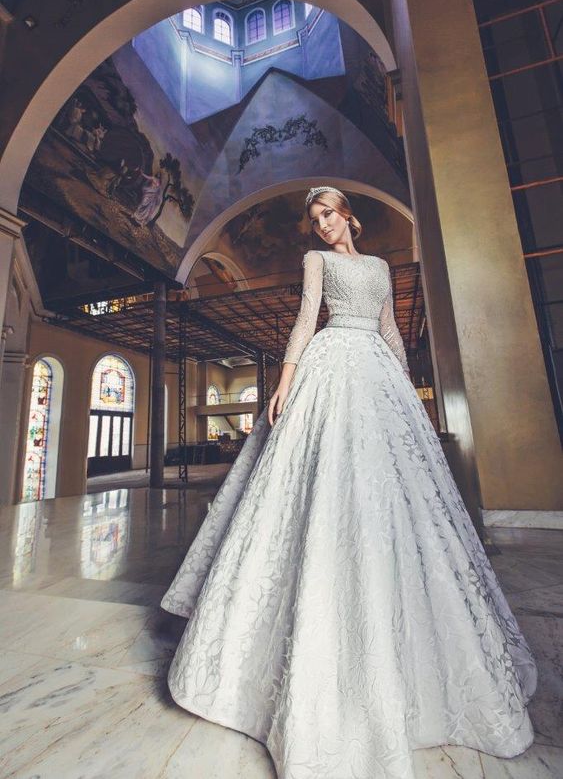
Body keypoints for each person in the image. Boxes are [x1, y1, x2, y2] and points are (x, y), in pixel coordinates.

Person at [160, 186, 537, 779]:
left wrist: (409, 392)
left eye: (328, 214)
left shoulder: (380, 267)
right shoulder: (316, 261)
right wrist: (285, 382)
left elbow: (389, 329)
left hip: (379, 373)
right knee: (322, 473)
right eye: (315, 219)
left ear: (347, 216)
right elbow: (306, 319)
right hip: (330, 362)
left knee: (394, 491)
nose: (322, 224)